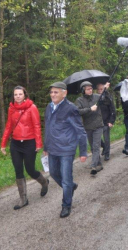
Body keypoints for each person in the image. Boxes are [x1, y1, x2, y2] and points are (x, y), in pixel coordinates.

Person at [44, 82, 88, 218]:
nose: (53, 95)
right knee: (53, 173)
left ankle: (66, 205)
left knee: (66, 178)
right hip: (53, 148)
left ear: (64, 93)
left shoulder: (71, 108)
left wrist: (83, 152)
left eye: (56, 92)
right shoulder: (49, 107)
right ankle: (71, 186)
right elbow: (48, 128)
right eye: (51, 92)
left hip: (66, 149)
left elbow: (80, 131)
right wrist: (46, 147)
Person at [0, 86, 48, 210]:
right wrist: (3, 143)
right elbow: (9, 126)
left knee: (30, 169)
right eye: (15, 94)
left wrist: (38, 143)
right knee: (18, 170)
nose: (18, 96)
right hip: (16, 144)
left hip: (29, 143)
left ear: (24, 95)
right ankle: (23, 199)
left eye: (20, 94)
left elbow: (37, 125)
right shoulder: (12, 108)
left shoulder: (32, 108)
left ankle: (44, 182)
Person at [75, 81, 109, 176]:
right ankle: (99, 164)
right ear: (83, 90)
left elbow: (106, 100)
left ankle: (93, 166)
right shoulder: (79, 100)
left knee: (96, 145)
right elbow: (77, 111)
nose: (90, 90)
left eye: (91, 88)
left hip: (98, 125)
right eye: (88, 89)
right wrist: (90, 109)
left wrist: (105, 90)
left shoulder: (97, 97)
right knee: (93, 147)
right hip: (88, 126)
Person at [96, 83, 116, 161]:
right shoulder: (96, 98)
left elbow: (113, 110)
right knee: (97, 138)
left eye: (102, 89)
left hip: (106, 121)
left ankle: (107, 153)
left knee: (106, 138)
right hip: (97, 122)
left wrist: (111, 121)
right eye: (99, 89)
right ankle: (103, 146)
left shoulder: (108, 97)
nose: (100, 91)